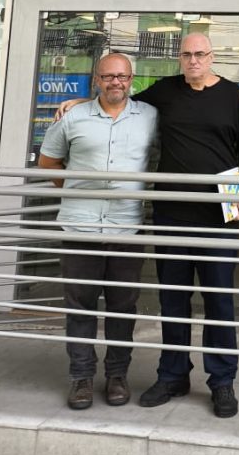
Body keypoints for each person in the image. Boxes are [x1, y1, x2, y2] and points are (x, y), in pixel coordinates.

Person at [57, 32, 239, 418]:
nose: (194, 60)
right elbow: (120, 100)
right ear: (179, 58)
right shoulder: (165, 91)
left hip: (219, 214)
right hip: (171, 213)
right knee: (173, 299)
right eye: (187, 54)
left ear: (212, 56)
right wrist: (82, 103)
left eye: (200, 54)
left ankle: (222, 381)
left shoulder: (234, 97)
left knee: (219, 300)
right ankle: (173, 375)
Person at [39, 53, 159, 410]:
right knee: (80, 306)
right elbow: (49, 161)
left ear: (131, 79)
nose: (115, 82)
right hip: (80, 226)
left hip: (126, 227)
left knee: (123, 307)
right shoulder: (73, 117)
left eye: (121, 76)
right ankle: (81, 377)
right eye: (107, 76)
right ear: (96, 79)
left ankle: (117, 375)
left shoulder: (150, 116)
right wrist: (77, 190)